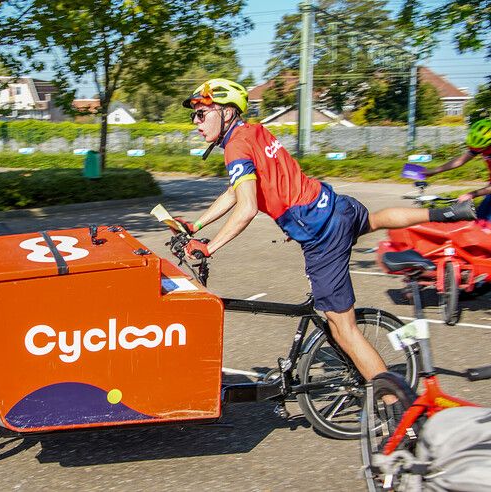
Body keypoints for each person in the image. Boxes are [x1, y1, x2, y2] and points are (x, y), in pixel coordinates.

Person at [176, 78, 475, 383]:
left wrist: (209, 247)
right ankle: (446, 213)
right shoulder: (252, 132)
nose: (196, 122)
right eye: (194, 116)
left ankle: (395, 402)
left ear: (226, 113)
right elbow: (234, 192)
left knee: (343, 329)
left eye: (201, 114)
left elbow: (247, 207)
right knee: (376, 219)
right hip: (339, 207)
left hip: (322, 234)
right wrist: (196, 225)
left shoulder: (236, 146)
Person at [424, 118, 491, 233]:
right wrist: (433, 171)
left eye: (483, 148)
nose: (479, 150)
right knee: (477, 225)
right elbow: (460, 161)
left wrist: (471, 194)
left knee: (490, 229)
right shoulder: (480, 143)